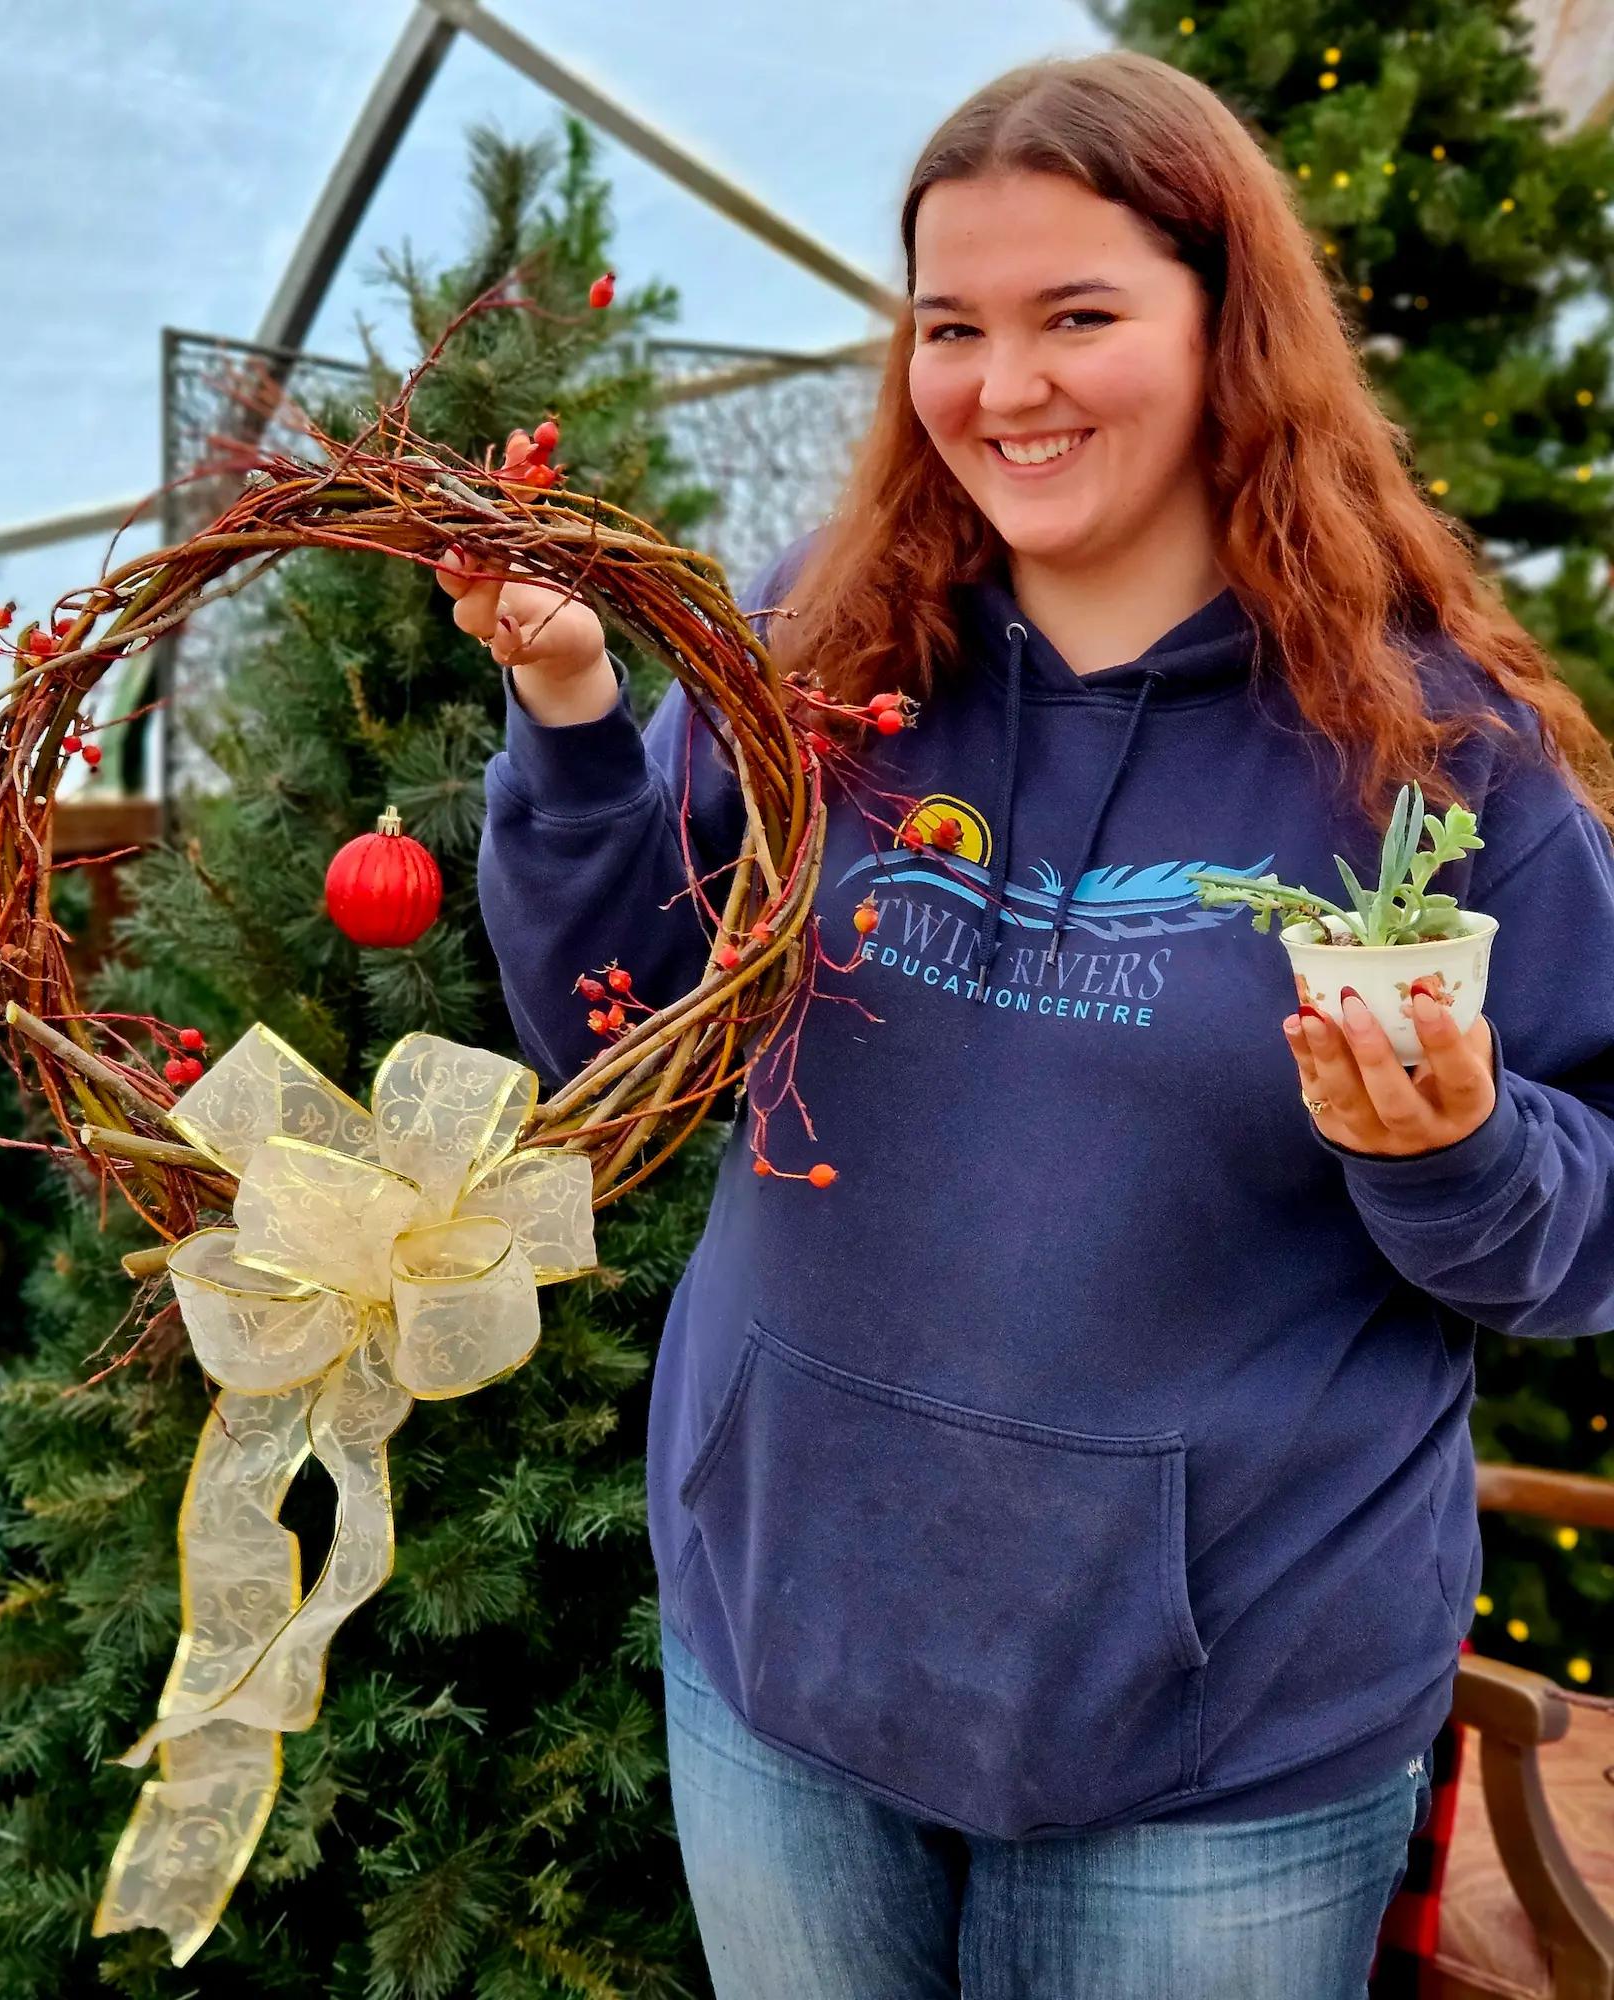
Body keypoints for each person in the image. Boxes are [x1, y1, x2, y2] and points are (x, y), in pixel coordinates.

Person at [446, 50, 1614, 2000]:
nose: (1006, 387)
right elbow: (615, 1033)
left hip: (1217, 1741)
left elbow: (1590, 1218)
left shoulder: (1433, 750)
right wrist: (569, 720)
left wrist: (1457, 1152)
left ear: (1230, 329)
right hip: (786, 1653)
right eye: (951, 327)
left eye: (1081, 314)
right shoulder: (819, 647)